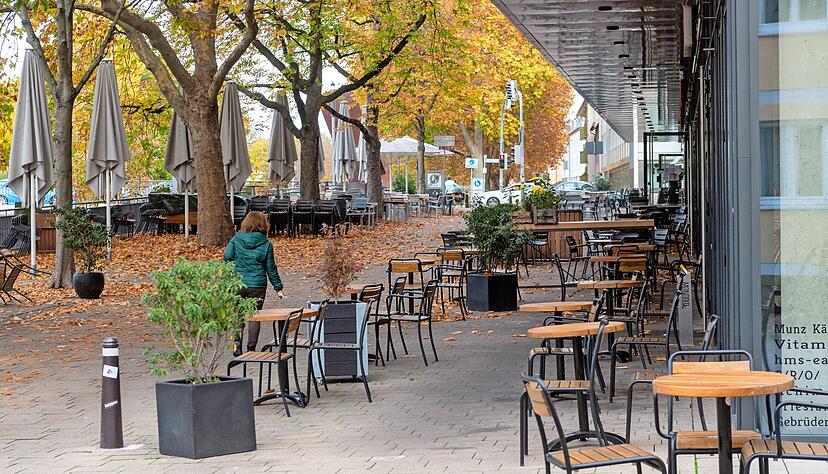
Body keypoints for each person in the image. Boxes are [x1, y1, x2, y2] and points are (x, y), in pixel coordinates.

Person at [224, 211, 283, 356]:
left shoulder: (236, 238)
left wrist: (236, 269)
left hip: (238, 283)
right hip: (257, 285)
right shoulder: (266, 244)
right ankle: (251, 347)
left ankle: (237, 345)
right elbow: (271, 268)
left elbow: (227, 256)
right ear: (263, 224)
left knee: (239, 314)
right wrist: (278, 288)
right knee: (254, 316)